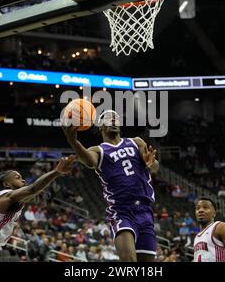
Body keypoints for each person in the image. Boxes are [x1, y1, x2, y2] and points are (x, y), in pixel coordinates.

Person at [63, 110, 159, 262]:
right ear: (100, 126)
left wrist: (151, 163)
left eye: (116, 119)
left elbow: (154, 168)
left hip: (145, 210)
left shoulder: (136, 142)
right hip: (121, 211)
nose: (113, 121)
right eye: (108, 119)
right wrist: (73, 141)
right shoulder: (98, 150)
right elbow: (89, 161)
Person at [0, 155, 76, 262]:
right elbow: (32, 189)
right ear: (6, 184)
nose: (22, 179)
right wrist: (57, 172)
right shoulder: (6, 196)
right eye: (17, 177)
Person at [193, 198, 225, 262]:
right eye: (198, 208)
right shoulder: (196, 237)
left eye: (205, 207)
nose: (200, 210)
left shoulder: (220, 227)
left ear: (214, 213)